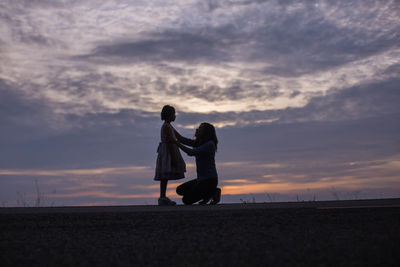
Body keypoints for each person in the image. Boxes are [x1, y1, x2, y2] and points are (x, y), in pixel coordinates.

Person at [174, 122, 221, 205]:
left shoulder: (210, 145)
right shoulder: (199, 143)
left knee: (186, 200)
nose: (197, 129)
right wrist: (168, 126)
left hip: (209, 181)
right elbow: (181, 138)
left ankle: (213, 192)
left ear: (206, 132)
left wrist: (176, 143)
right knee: (179, 190)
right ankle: (207, 194)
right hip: (201, 180)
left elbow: (191, 152)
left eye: (200, 128)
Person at [154, 105, 186, 206]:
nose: (175, 116)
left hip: (167, 149)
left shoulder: (168, 126)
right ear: (169, 115)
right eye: (174, 114)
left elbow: (179, 137)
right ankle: (162, 197)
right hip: (168, 151)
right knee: (164, 174)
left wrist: (193, 142)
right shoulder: (167, 127)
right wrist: (174, 158)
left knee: (165, 175)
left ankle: (162, 196)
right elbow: (172, 141)